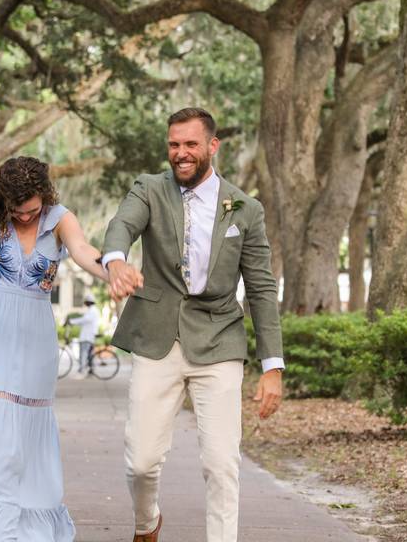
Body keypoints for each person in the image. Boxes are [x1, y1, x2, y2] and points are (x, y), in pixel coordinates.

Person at [0, 40, 141, 542]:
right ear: (3, 202)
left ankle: (21, 522)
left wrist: (113, 269)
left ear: (46, 199)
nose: (26, 217)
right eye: (18, 211)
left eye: (33, 210)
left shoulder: (59, 219)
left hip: (34, 332)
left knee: (25, 426)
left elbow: (83, 250)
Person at [102, 107, 284, 542]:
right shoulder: (149, 189)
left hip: (219, 339)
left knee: (221, 463)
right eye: (174, 145)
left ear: (212, 147)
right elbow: (120, 226)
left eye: (190, 145)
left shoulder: (246, 208)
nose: (180, 153)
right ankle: (147, 523)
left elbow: (260, 288)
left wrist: (272, 365)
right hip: (156, 337)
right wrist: (114, 261)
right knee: (141, 462)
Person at [68, 293, 101, 375]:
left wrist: (72, 321)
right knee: (89, 353)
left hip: (87, 336)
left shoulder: (92, 311)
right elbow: (83, 321)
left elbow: (85, 320)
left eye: (86, 302)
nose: (85, 303)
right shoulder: (92, 310)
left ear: (89, 302)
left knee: (84, 353)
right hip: (89, 335)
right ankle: (90, 369)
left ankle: (82, 370)